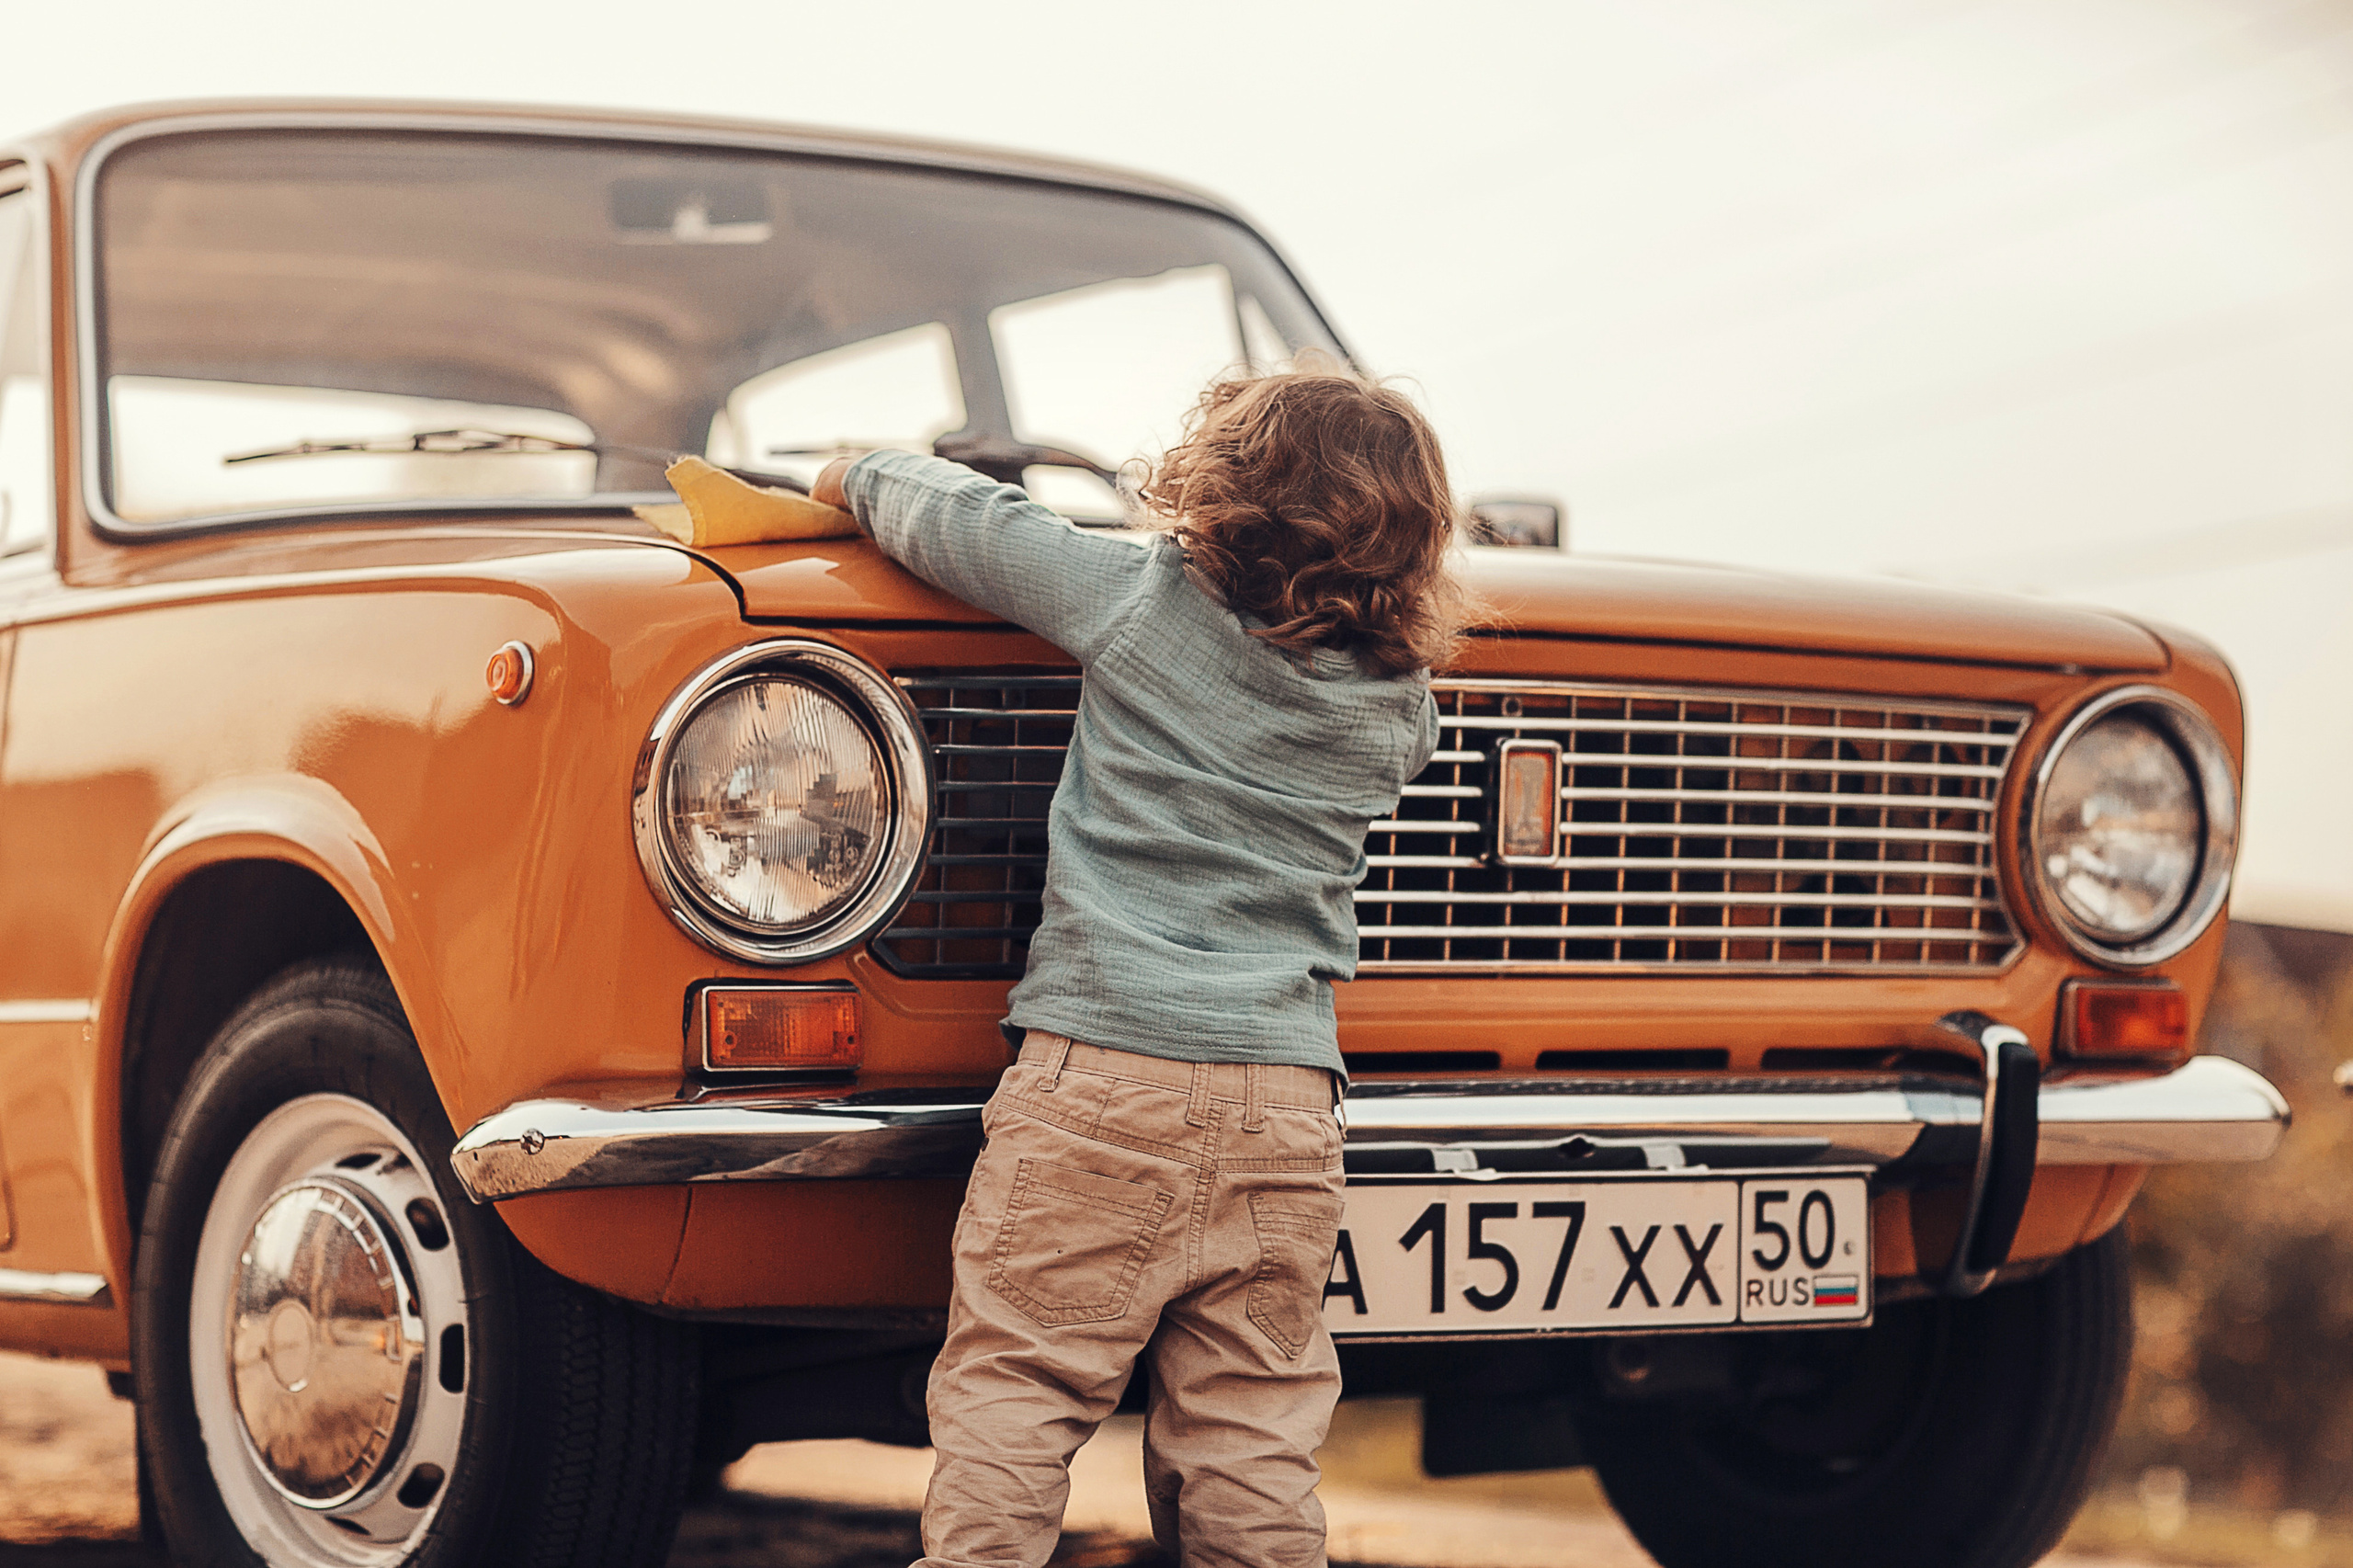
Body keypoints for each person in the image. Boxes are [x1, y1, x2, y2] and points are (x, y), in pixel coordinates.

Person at [810, 365, 1462, 1568]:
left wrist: (857, 470)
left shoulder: (1143, 601)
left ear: (1222, 492)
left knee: (1018, 1393)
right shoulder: (1397, 710)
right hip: (1286, 1106)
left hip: (1102, 1082)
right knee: (1255, 1439)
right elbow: (1379, 715)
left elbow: (973, 527)